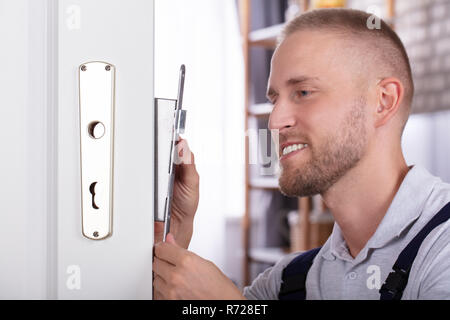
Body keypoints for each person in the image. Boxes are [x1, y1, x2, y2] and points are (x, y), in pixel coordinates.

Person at [152, 8, 450, 300]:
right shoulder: (287, 282)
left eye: (304, 92)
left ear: (383, 101)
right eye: (274, 99)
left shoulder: (442, 248)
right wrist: (169, 240)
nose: (275, 120)